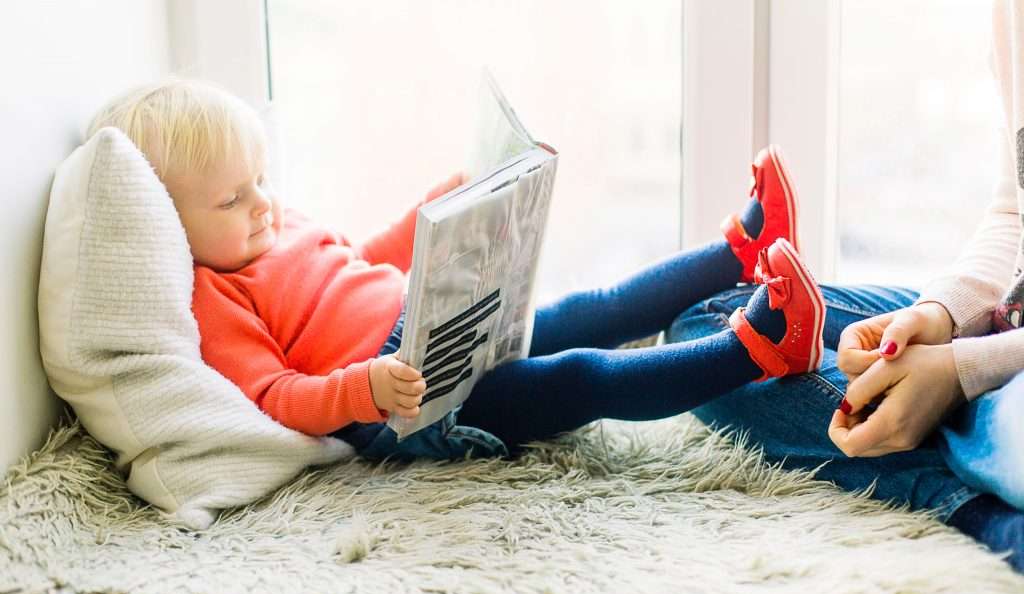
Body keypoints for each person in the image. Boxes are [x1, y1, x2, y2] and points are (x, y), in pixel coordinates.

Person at [85, 76, 825, 466]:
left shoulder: (276, 225)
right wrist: (363, 390)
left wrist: (430, 216)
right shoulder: (212, 297)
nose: (262, 204)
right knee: (582, 377)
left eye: (260, 179)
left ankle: (740, 248)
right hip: (415, 402)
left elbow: (358, 259)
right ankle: (758, 346)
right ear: (171, 225)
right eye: (231, 198)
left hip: (442, 322)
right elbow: (277, 397)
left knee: (591, 306)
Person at [668, 0, 1024, 574]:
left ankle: (965, 502)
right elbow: (1014, 211)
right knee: (713, 333)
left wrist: (961, 373)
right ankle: (957, 450)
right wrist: (939, 316)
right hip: (1007, 319)